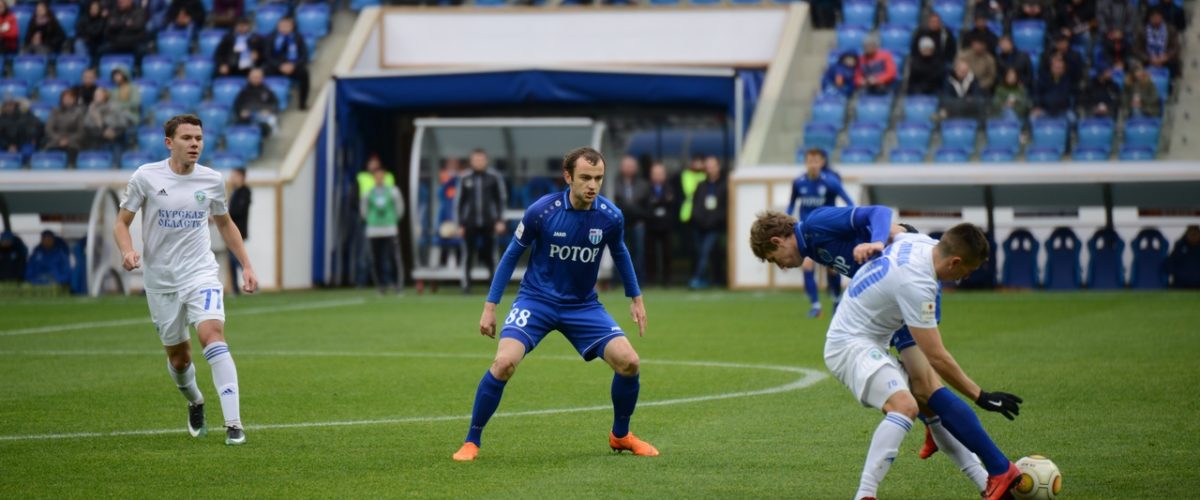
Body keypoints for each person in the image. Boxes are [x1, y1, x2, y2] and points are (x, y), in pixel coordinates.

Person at [751, 215, 1024, 500]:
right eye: (967, 271)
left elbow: (893, 227)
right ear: (954, 261)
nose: (963, 277)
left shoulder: (916, 243)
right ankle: (865, 495)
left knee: (930, 401)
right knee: (906, 405)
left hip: (871, 339)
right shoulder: (917, 280)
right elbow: (937, 356)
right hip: (849, 346)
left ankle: (990, 481)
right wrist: (980, 395)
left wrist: (875, 240)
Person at [451, 146, 654, 462]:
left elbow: (620, 252)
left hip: (583, 306)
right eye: (585, 178)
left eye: (598, 178)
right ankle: (471, 441)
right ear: (568, 177)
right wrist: (490, 306)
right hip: (536, 301)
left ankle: (621, 435)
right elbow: (511, 255)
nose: (593, 185)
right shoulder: (542, 211)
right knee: (503, 363)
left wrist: (636, 298)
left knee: (630, 362)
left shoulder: (611, 216)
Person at [114, 114, 258, 446]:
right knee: (179, 359)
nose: (195, 144)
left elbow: (225, 224)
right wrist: (127, 250)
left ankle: (234, 425)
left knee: (212, 334)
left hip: (200, 273)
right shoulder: (146, 177)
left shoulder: (212, 180)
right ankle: (195, 401)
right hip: (161, 280)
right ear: (169, 143)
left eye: (199, 138)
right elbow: (121, 223)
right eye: (187, 138)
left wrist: (247, 265)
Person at [787, 149, 853, 317]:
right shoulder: (798, 182)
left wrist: (847, 221)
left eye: (816, 161)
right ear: (805, 162)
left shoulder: (830, 182)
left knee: (833, 268)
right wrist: (786, 221)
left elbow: (849, 202)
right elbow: (792, 204)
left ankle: (836, 300)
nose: (813, 165)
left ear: (822, 162)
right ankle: (815, 306)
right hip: (807, 234)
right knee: (807, 265)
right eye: (810, 161)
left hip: (827, 232)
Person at [454, 148, 507, 294]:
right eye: (476, 160)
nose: (478, 162)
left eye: (481, 160)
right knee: (467, 254)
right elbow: (459, 203)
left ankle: (494, 287)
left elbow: (501, 200)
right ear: (471, 161)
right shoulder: (464, 178)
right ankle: (466, 285)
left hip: (490, 222)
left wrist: (500, 220)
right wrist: (460, 224)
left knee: (491, 254)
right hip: (469, 223)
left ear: (486, 161)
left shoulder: (494, 177)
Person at [361, 167, 405, 294]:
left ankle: (398, 285)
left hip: (389, 229)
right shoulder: (368, 193)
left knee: (393, 257)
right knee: (376, 258)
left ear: (384, 177)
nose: (379, 178)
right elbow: (364, 210)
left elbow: (400, 207)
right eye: (377, 176)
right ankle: (380, 286)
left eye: (381, 176)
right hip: (374, 230)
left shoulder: (393, 191)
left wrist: (394, 220)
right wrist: (369, 220)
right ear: (374, 178)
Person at [689, 156, 726, 289]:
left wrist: (715, 221)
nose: (709, 169)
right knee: (700, 253)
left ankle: (697, 278)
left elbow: (724, 208)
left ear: (718, 167)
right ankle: (705, 279)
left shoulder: (724, 185)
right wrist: (698, 219)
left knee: (706, 252)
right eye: (708, 166)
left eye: (712, 166)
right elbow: (696, 205)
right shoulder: (701, 185)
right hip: (700, 226)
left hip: (714, 227)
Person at [613, 155, 649, 283]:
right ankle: (617, 280)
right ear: (621, 167)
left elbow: (647, 206)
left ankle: (638, 281)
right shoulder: (613, 183)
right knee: (618, 251)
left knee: (638, 253)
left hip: (637, 223)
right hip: (619, 224)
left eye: (631, 166)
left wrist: (640, 216)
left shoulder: (644, 184)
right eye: (627, 165)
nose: (629, 168)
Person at [264, 17, 310, 110]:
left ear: (292, 26)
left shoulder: (298, 37)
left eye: (287, 26)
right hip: (276, 67)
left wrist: (293, 65)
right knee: (263, 73)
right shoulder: (271, 37)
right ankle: (266, 103)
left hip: (293, 67)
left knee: (304, 73)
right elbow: (267, 56)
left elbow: (304, 56)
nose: (284, 28)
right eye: (282, 26)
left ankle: (302, 103)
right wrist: (279, 66)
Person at [644, 161, 675, 288]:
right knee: (650, 253)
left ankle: (667, 280)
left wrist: (658, 203)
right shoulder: (646, 188)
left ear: (665, 174)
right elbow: (645, 205)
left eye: (660, 173)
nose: (657, 176)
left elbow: (672, 204)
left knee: (667, 254)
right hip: (651, 225)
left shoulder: (670, 188)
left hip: (666, 225)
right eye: (655, 173)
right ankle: (651, 279)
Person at [1135, 7, 1181, 79]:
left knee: (1174, 64)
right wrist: (1149, 58)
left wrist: (1166, 56)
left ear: (1162, 17)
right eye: (1153, 17)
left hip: (1166, 60)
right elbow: (1137, 49)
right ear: (1149, 18)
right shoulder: (1142, 31)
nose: (1156, 19)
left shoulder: (1170, 29)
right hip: (1148, 59)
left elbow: (1176, 47)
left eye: (1158, 17)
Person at [83, 87, 131, 154]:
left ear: (105, 95)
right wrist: (103, 133)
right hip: (97, 139)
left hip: (115, 137)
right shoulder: (92, 109)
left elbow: (123, 123)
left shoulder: (114, 107)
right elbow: (87, 125)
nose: (96, 97)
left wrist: (114, 133)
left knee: (118, 146)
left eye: (99, 95)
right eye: (95, 95)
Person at [233, 68, 279, 137]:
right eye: (254, 77)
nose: (256, 79)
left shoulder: (267, 90)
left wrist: (268, 110)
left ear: (262, 78)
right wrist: (241, 112)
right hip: (248, 117)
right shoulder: (244, 91)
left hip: (264, 117)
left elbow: (275, 104)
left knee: (270, 121)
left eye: (258, 77)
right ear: (249, 78)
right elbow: (237, 105)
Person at [227, 167, 251, 295]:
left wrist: (224, 216)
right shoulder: (234, 192)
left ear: (241, 176)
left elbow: (237, 211)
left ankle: (251, 280)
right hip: (230, 232)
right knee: (232, 260)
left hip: (240, 231)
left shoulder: (245, 192)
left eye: (234, 176)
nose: (231, 178)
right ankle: (235, 288)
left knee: (237, 259)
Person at [45, 89, 86, 160]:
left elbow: (80, 131)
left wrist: (68, 140)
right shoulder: (54, 111)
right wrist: (59, 139)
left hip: (73, 143)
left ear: (74, 100)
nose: (67, 100)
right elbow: (48, 129)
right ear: (62, 99)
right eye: (65, 98)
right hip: (55, 142)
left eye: (70, 98)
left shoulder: (79, 113)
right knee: (52, 156)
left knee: (72, 154)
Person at [1031, 57, 1075, 122]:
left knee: (1073, 119)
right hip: (1044, 108)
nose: (1058, 70)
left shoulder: (1067, 80)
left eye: (1060, 68)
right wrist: (1038, 107)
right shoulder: (1043, 79)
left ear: (1063, 69)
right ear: (1051, 68)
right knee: (1032, 118)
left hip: (1062, 110)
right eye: (1056, 67)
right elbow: (1037, 94)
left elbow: (1066, 97)